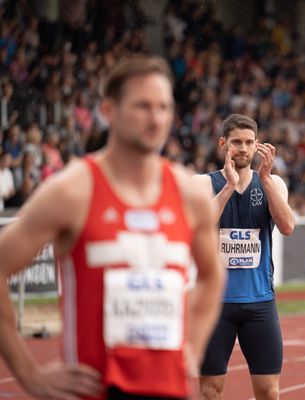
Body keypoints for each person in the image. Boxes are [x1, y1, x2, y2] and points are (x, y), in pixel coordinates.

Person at [0, 55, 225, 399]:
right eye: (143, 106)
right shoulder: (72, 190)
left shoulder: (186, 194)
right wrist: (29, 374)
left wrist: (192, 345)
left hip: (170, 389)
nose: (156, 119)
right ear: (108, 110)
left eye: (164, 107)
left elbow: (212, 274)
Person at [193, 114, 295, 400]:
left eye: (249, 142)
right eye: (236, 142)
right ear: (223, 144)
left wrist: (265, 180)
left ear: (257, 146)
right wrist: (228, 186)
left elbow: (287, 226)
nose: (243, 148)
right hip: (215, 305)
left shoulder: (273, 183)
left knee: (268, 391)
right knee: (210, 391)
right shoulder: (203, 184)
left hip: (260, 303)